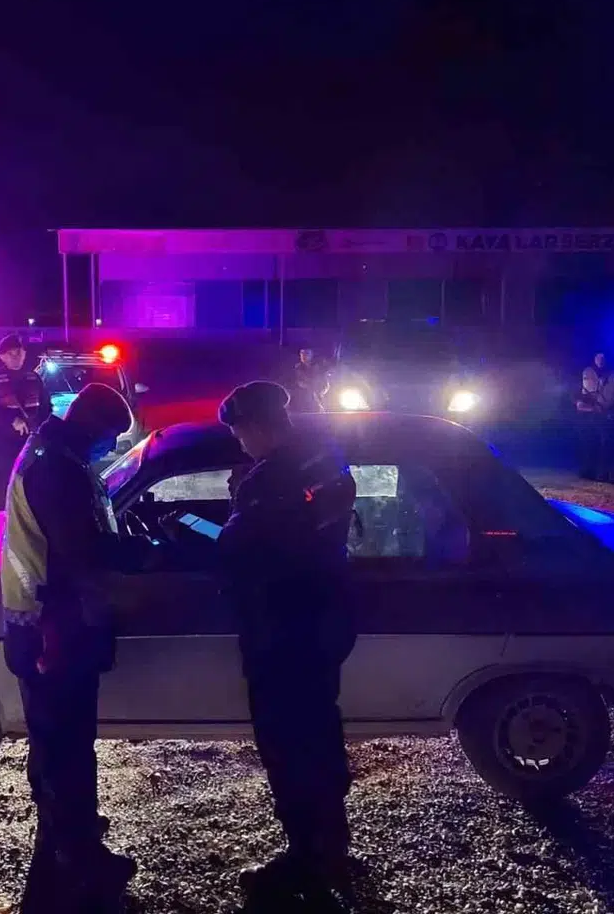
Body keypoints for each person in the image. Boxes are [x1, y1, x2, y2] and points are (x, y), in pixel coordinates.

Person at [0, 383, 145, 912]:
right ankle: (79, 861)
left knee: (55, 744)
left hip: (41, 623)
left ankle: (64, 834)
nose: (109, 448)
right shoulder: (58, 468)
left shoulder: (52, 451)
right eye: (110, 438)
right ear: (92, 426)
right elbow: (81, 554)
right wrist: (136, 560)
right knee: (68, 747)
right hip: (53, 629)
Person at [216, 381, 358, 901]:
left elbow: (234, 551)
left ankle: (306, 862)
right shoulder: (327, 457)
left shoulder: (267, 480)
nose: (240, 443)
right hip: (326, 618)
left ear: (257, 426)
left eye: (239, 433)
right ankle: (332, 846)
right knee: (320, 733)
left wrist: (234, 502)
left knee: (287, 745)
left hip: (280, 631)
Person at [0, 334, 51, 511]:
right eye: (11, 353)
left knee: (31, 485)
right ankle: (3, 515)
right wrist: (11, 420)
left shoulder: (34, 378)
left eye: (19, 352)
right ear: (2, 356)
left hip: (31, 443)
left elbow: (46, 408)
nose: (16, 357)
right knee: (4, 488)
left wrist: (41, 427)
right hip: (4, 444)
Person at [576, 352, 614, 480]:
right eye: (598, 357)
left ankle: (603, 472)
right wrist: (582, 403)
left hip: (604, 414)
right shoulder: (587, 372)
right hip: (587, 412)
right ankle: (588, 470)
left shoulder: (612, 374)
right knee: (588, 442)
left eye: (603, 358)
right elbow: (580, 390)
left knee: (604, 444)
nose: (601, 360)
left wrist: (605, 406)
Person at [289, 347, 329, 412]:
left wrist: (320, 392)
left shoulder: (319, 367)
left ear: (311, 355)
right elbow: (296, 382)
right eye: (302, 353)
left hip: (318, 396)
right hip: (302, 398)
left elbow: (325, 383)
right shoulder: (297, 368)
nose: (303, 356)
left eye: (306, 353)